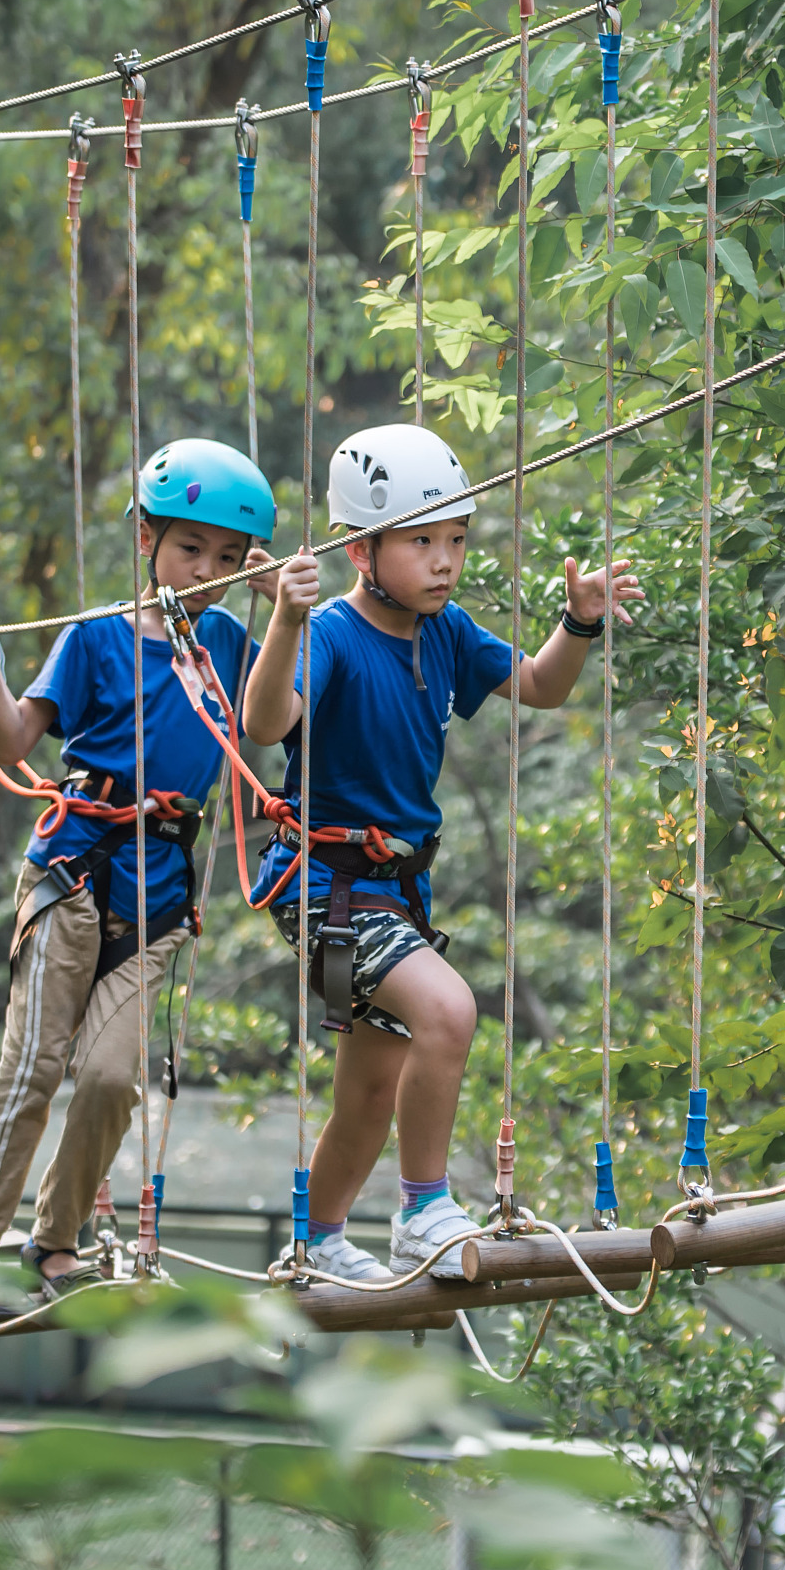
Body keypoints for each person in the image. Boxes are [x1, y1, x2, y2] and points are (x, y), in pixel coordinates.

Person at [242, 422, 639, 1284]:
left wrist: (578, 623)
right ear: (361, 548)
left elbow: (539, 685)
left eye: (455, 539)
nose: (446, 559)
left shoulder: (447, 632)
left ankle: (316, 1237)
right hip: (323, 887)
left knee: (369, 1095)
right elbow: (264, 723)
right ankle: (424, 1208)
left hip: (390, 894)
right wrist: (284, 616)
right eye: (422, 541)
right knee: (450, 1011)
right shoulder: (333, 635)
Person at [0, 439, 279, 1295]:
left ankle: (54, 1239)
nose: (206, 569)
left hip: (160, 893)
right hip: (75, 872)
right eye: (189, 548)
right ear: (147, 540)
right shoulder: (95, 637)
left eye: (228, 558)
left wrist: (289, 613)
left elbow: (276, 722)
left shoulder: (235, 646)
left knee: (110, 1076)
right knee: (33, 1065)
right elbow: (16, 737)